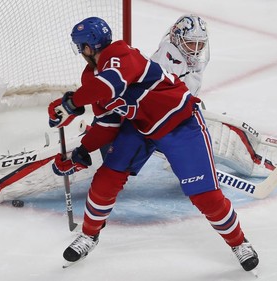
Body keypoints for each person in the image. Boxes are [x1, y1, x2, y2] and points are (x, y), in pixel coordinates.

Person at [48, 16, 259, 271]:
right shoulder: (91, 78)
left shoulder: (121, 54)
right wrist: (81, 151)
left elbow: (111, 84)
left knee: (205, 195)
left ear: (87, 47)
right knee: (106, 179)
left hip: (180, 124)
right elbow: (107, 124)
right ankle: (89, 236)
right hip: (141, 127)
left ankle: (238, 243)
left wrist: (71, 103)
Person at [150, 14, 277, 178]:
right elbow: (161, 102)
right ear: (177, 38)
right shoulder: (169, 59)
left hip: (176, 115)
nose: (196, 49)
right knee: (214, 138)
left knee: (225, 129)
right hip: (162, 122)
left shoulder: (185, 56)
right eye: (191, 43)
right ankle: (256, 162)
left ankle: (258, 154)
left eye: (200, 44)